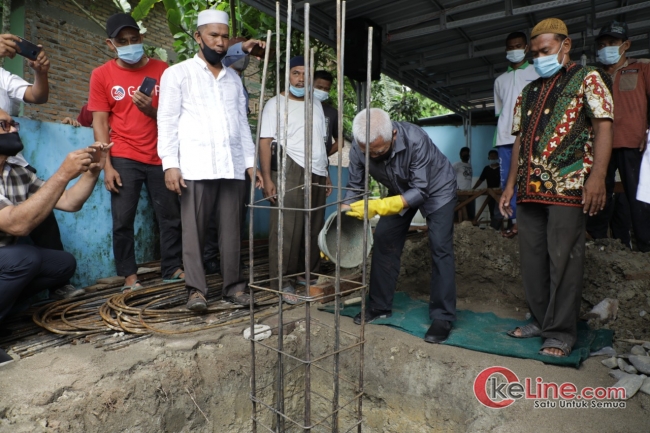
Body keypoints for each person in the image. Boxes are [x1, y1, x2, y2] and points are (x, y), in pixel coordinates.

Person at [499, 18, 614, 357]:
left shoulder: (588, 78)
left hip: (568, 185)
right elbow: (518, 141)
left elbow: (604, 127)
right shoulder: (528, 91)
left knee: (564, 260)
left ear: (566, 45)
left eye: (544, 51)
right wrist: (509, 186)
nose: (538, 58)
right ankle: (539, 319)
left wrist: (597, 177)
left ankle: (562, 333)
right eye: (534, 53)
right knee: (532, 258)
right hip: (529, 188)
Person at [158, 9, 263, 311]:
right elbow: (166, 121)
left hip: (230, 166)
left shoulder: (232, 80)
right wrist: (170, 164)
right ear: (198, 36)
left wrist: (249, 162)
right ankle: (196, 291)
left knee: (232, 230)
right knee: (194, 231)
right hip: (195, 164)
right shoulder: (177, 73)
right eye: (213, 35)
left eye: (224, 36)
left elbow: (242, 125)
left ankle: (234, 287)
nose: (219, 42)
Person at [0, 108, 110, 364]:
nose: (14, 129)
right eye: (5, 125)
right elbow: (16, 226)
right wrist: (63, 173)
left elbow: (69, 201)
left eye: (14, 124)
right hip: (9, 257)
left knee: (62, 265)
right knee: (24, 258)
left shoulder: (17, 171)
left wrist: (92, 171)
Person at [342, 108, 457, 344]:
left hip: (437, 189)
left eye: (379, 151)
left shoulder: (416, 139)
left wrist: (380, 206)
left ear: (393, 135)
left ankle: (443, 317)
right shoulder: (358, 146)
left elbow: (421, 190)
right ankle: (379, 306)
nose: (373, 156)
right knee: (384, 239)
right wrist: (339, 223)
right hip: (399, 190)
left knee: (440, 247)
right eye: (368, 152)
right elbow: (354, 188)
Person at [89, 13, 184, 292]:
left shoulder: (163, 70)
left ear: (141, 38)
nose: (129, 44)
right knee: (122, 219)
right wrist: (106, 166)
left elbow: (174, 116)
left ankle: (171, 268)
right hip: (124, 156)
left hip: (160, 156)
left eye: (134, 39)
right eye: (122, 41)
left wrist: (151, 111)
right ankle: (129, 275)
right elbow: (100, 122)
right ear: (111, 44)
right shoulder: (101, 75)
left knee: (169, 216)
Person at [259, 56, 330, 303]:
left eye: (306, 74)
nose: (301, 79)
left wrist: (327, 172)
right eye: (296, 73)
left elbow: (320, 141)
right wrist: (267, 177)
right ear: (287, 75)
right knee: (287, 227)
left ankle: (306, 275)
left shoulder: (316, 105)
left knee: (313, 226)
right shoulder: (274, 104)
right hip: (290, 166)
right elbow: (265, 141)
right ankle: (282, 282)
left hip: (318, 169)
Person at [587, 21, 650, 252]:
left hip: (633, 143)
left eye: (612, 43)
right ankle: (597, 243)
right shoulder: (592, 76)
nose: (606, 48)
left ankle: (646, 247)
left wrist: (648, 132)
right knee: (598, 193)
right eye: (602, 44)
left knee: (639, 197)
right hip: (599, 146)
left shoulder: (642, 67)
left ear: (626, 44)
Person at [203, 37, 257, 276]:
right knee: (214, 214)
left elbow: (243, 124)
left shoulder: (237, 82)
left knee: (235, 213)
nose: (243, 58)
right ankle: (210, 257)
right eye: (239, 51)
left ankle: (229, 259)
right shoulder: (213, 72)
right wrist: (241, 47)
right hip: (214, 155)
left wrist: (249, 162)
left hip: (237, 157)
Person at [494, 31, 539, 238]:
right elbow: (501, 111)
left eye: (518, 46)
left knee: (532, 178)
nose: (514, 50)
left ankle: (530, 224)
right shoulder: (499, 81)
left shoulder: (537, 72)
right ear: (506, 50)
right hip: (505, 137)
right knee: (507, 183)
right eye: (510, 47)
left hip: (532, 136)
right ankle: (513, 222)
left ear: (527, 48)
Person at [313, 70, 341, 156]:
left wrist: (323, 157)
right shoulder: (299, 106)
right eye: (319, 87)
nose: (323, 91)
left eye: (326, 89)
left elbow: (340, 142)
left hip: (320, 166)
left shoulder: (332, 112)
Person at [472, 149, 501, 230]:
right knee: (492, 210)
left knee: (501, 211)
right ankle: (493, 229)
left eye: (494, 156)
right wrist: (473, 189)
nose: (493, 158)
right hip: (490, 193)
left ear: (498, 157)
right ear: (488, 158)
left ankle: (503, 228)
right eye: (491, 156)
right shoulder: (486, 169)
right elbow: (481, 180)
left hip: (500, 193)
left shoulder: (501, 168)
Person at [452, 146, 474, 220]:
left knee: (469, 211)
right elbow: (449, 175)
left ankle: (469, 227)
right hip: (459, 191)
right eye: (464, 154)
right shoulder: (457, 164)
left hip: (469, 191)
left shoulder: (470, 165)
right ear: (460, 155)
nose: (466, 155)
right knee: (458, 211)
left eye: (467, 154)